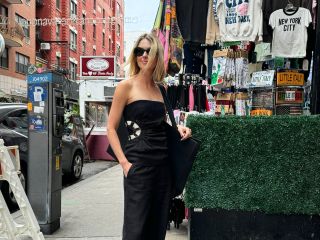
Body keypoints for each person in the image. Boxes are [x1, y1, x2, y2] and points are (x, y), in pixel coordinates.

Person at [107, 33, 192, 240]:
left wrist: (179, 127)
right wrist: (125, 164)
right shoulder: (125, 86)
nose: (144, 55)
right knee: (136, 228)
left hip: (163, 166)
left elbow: (158, 123)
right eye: (139, 51)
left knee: (157, 226)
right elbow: (111, 128)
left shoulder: (161, 89)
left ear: (156, 55)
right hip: (139, 165)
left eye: (148, 51)